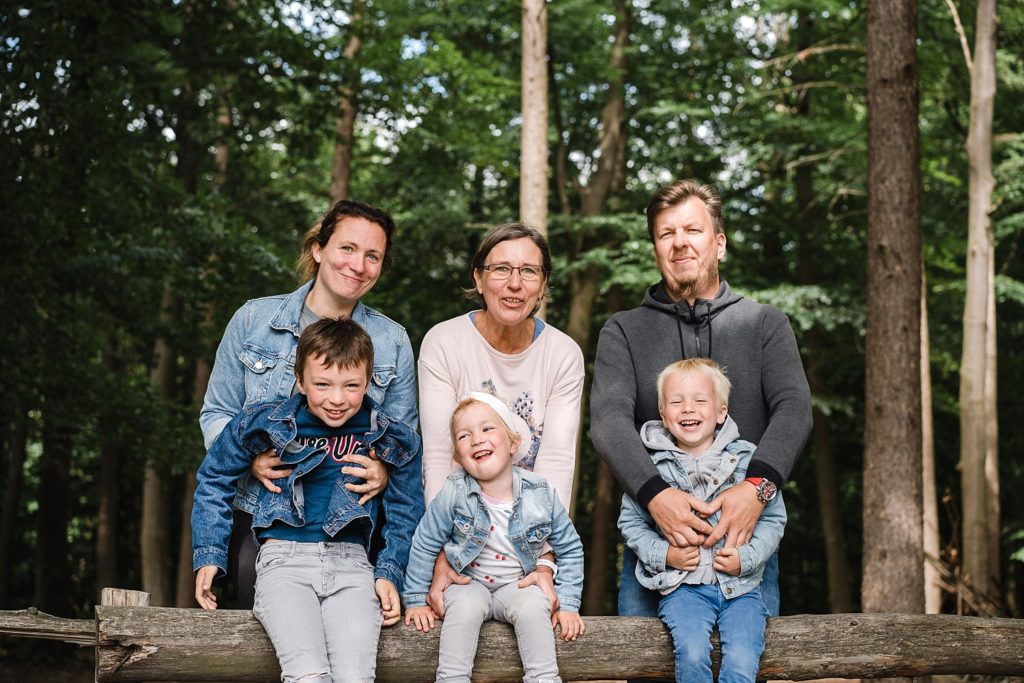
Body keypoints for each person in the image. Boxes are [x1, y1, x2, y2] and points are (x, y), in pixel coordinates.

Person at [591, 179, 811, 619]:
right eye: (665, 234)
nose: (679, 244)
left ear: (719, 243)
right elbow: (609, 421)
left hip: (743, 547)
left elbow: (794, 409)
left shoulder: (765, 324)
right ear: (655, 248)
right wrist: (655, 496)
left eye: (692, 230)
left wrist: (757, 489)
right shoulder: (624, 331)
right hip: (657, 548)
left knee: (741, 667)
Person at [199, 198, 418, 608]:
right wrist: (249, 459)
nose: (359, 264)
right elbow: (217, 413)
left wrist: (384, 471)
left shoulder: (392, 341)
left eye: (373, 256)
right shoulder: (253, 321)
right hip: (260, 511)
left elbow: (403, 441)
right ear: (319, 248)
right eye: (347, 248)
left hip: (350, 521)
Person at [192, 317, 424, 683]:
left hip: (353, 567)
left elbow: (406, 510)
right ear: (300, 380)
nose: (336, 398)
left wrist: (389, 572)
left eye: (351, 386)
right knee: (307, 675)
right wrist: (209, 554)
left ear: (368, 384)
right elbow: (214, 475)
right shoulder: (267, 422)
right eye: (322, 384)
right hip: (284, 563)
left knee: (355, 677)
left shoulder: (389, 437)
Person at [417, 223, 584, 615]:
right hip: (458, 532)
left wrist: (545, 561)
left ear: (542, 285)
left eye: (529, 271)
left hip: (527, 541)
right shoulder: (444, 342)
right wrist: (444, 554)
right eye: (500, 269)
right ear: (478, 277)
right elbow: (440, 458)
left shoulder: (563, 354)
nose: (514, 284)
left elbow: (556, 465)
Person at [619, 358, 785, 683]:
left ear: (721, 412)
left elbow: (774, 518)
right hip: (684, 591)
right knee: (692, 654)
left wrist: (746, 558)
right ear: (664, 417)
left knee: (741, 659)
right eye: (676, 401)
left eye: (699, 400)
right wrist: (665, 554)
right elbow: (630, 523)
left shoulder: (749, 462)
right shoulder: (652, 469)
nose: (688, 409)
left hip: (743, 590)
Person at [404, 392, 585, 683]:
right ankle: (452, 678)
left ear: (513, 443)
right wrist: (415, 600)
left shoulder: (541, 493)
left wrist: (568, 604)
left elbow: (571, 549)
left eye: (488, 429)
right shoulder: (454, 492)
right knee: (464, 606)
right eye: (464, 436)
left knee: (534, 605)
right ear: (457, 456)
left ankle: (544, 678)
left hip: (517, 584)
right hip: (468, 582)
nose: (477, 439)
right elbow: (425, 542)